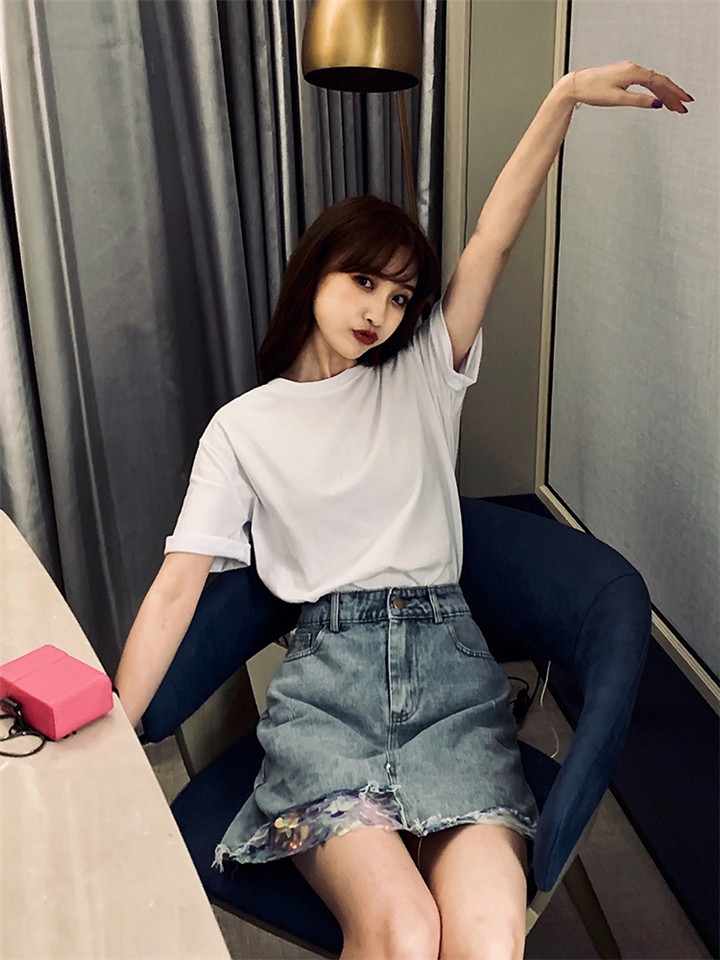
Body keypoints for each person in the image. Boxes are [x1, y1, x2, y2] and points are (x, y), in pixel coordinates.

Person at [115, 63, 691, 960]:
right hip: (328, 691)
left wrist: (561, 98)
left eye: (399, 297)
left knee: (486, 938)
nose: (381, 311)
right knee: (402, 932)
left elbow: (493, 239)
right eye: (363, 282)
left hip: (454, 685)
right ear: (315, 270)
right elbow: (176, 586)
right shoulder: (242, 428)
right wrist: (113, 733)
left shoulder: (425, 369)